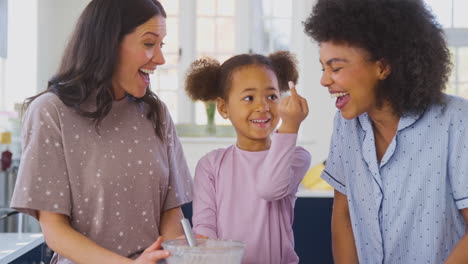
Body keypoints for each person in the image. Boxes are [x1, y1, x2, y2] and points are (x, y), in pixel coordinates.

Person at [10, 0, 193, 263]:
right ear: (108, 43)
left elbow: (171, 214)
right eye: (149, 43)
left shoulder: (157, 114)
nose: (161, 59)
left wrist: (184, 257)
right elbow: (55, 231)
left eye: (161, 45)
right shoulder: (51, 112)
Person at [303, 0, 468, 263]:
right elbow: (343, 216)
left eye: (335, 68)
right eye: (323, 68)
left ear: (382, 67)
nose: (324, 80)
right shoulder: (346, 124)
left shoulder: (457, 121)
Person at [186, 51, 311, 264]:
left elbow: (270, 188)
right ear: (224, 108)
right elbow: (205, 227)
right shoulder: (210, 165)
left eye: (272, 96)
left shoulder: (296, 157)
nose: (262, 107)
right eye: (249, 98)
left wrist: (291, 126)